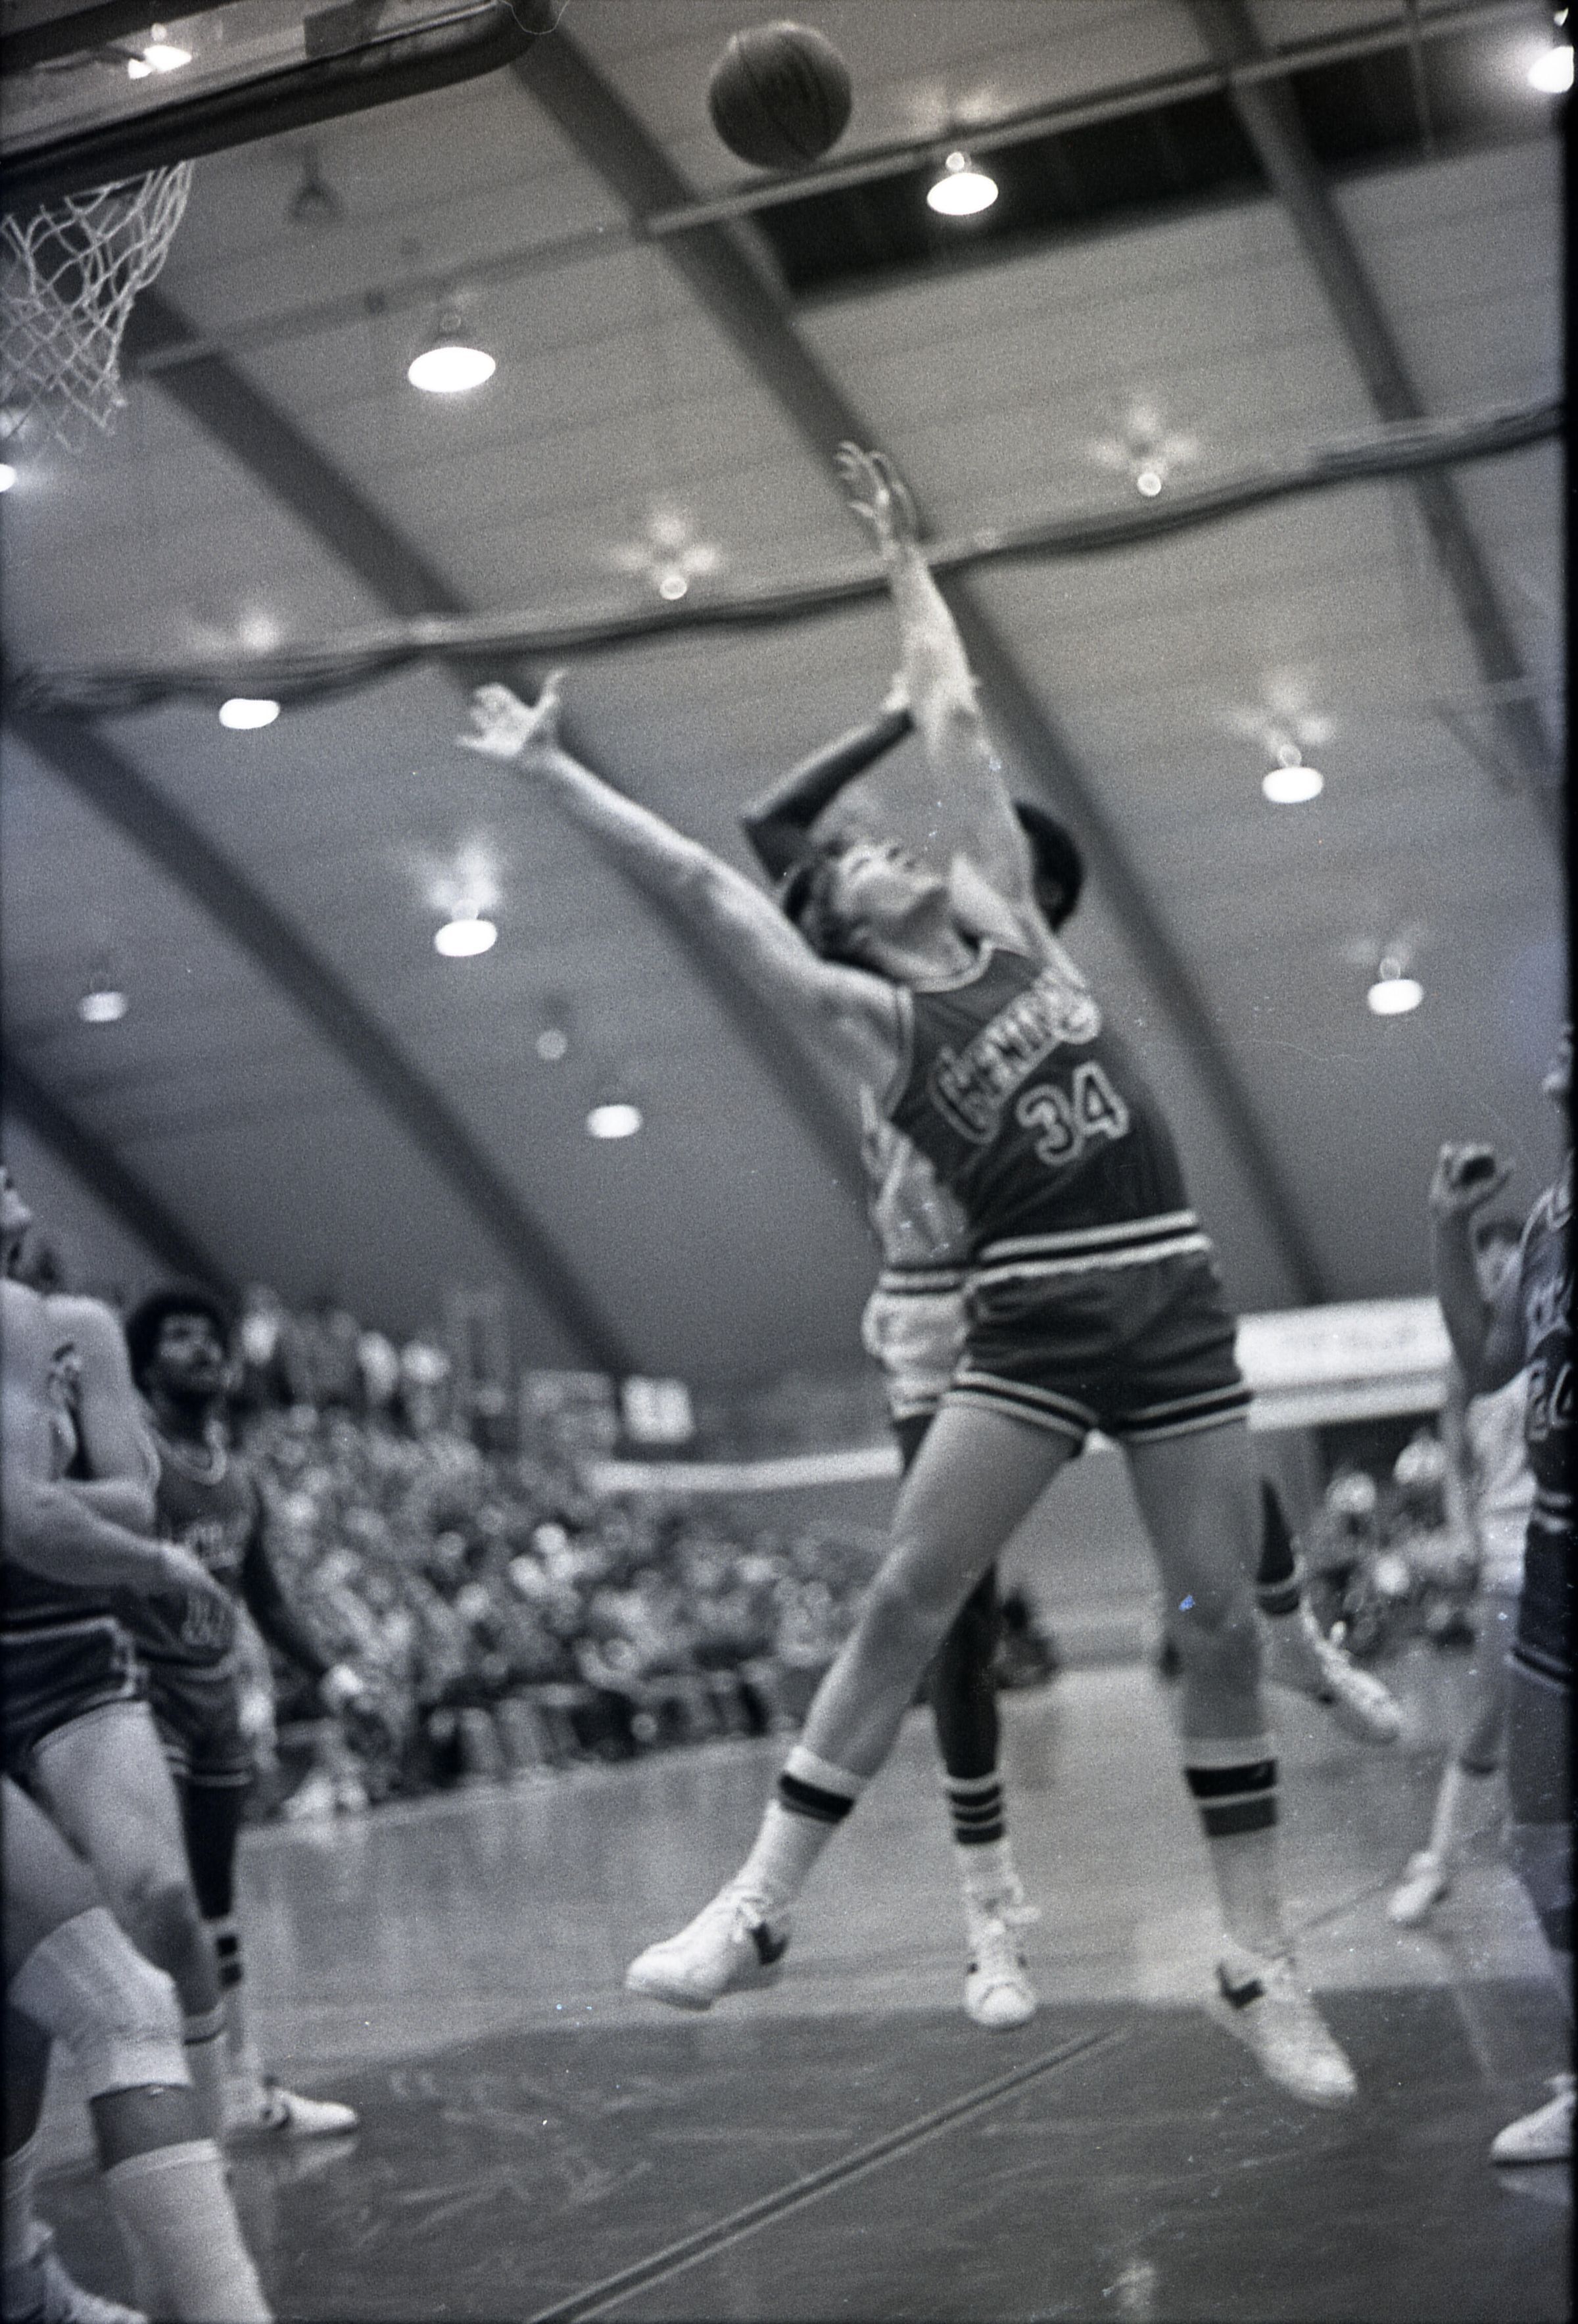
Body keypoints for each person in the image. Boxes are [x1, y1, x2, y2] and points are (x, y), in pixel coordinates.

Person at [454, 445, 1358, 2108]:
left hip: (1166, 1296)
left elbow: (950, 710)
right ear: (849, 921)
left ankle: (1258, 1954)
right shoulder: (873, 1019)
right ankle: (757, 1905)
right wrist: (554, 774)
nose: (882, 844)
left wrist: (902, 558)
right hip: (1032, 1319)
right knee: (905, 1598)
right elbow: (705, 884)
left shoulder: (1019, 930)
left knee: (1213, 1619)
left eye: (881, 841)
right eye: (855, 861)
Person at [736, 693, 1397, 2032]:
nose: (940, 861)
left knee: (1219, 1466)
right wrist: (891, 715)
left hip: (1058, 1278)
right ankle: (991, 1910)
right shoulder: (878, 983)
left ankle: (1296, 1646)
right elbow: (769, 823)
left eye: (997, 866)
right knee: (951, 1613)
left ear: (1030, 898)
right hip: (939, 1311)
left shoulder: (1027, 983)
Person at [2, 1167, 271, 2323]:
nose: (14, 1189)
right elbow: (46, 1514)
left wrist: (80, 1520)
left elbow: (125, 1501)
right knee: (39, 1987)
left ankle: (200, 2178)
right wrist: (122, 1542)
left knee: (154, 1907)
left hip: (59, 1643)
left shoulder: (60, 1326)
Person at [120, 1286, 364, 2139]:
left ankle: (243, 2086)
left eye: (211, 1336)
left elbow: (270, 1600)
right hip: (141, 1693)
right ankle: (170, 2110)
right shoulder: (133, 1457)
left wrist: (340, 1683)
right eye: (178, 1336)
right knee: (163, 1904)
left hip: (214, 1697)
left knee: (217, 1902)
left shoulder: (239, 1479)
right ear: (143, 1364)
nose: (202, 1349)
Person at [1429, 1032, 1572, 2166]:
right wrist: (1447, 1227)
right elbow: (1486, 1358)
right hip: (1552, 1549)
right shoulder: (1550, 1218)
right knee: (1541, 1832)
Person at [1389, 1217, 1533, 1925]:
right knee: (1488, 1711)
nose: (1499, 1271)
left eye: (1512, 1260)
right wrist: (1460, 1526)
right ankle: (1439, 1860)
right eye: (1489, 1263)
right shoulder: (1469, 1360)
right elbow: (1454, 1460)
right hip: (1511, 1545)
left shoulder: (1551, 1336)